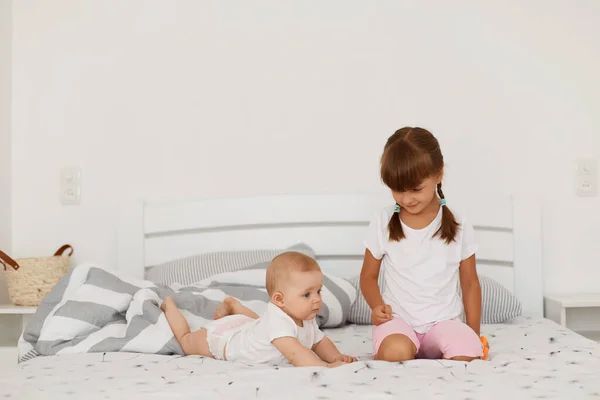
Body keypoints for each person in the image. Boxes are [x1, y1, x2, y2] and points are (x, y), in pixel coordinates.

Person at [360, 127, 484, 362]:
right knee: (395, 352)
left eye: (415, 189)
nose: (406, 199)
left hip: (444, 323)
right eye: (397, 190)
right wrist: (377, 306)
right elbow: (367, 277)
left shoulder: (458, 222)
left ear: (438, 175)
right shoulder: (383, 221)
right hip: (398, 324)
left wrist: (473, 334)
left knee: (468, 351)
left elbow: (470, 283)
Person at [161, 251, 357, 367]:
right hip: (227, 340)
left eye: (318, 291)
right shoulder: (278, 323)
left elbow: (319, 342)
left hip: (250, 328)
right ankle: (168, 305)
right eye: (307, 294)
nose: (316, 300)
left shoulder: (306, 316)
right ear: (279, 300)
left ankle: (234, 305)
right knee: (187, 342)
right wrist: (325, 366)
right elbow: (296, 354)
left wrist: (336, 357)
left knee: (257, 325)